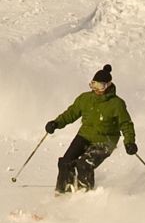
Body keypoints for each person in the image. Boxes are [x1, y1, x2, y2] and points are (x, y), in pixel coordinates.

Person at [45, 64, 138, 194]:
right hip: (85, 135)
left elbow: (126, 124)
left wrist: (130, 142)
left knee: (84, 164)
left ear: (108, 85)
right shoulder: (85, 98)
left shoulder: (117, 104)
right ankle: (63, 193)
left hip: (105, 140)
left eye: (100, 86)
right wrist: (56, 123)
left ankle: (84, 194)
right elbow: (71, 113)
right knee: (66, 162)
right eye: (94, 85)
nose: (96, 89)